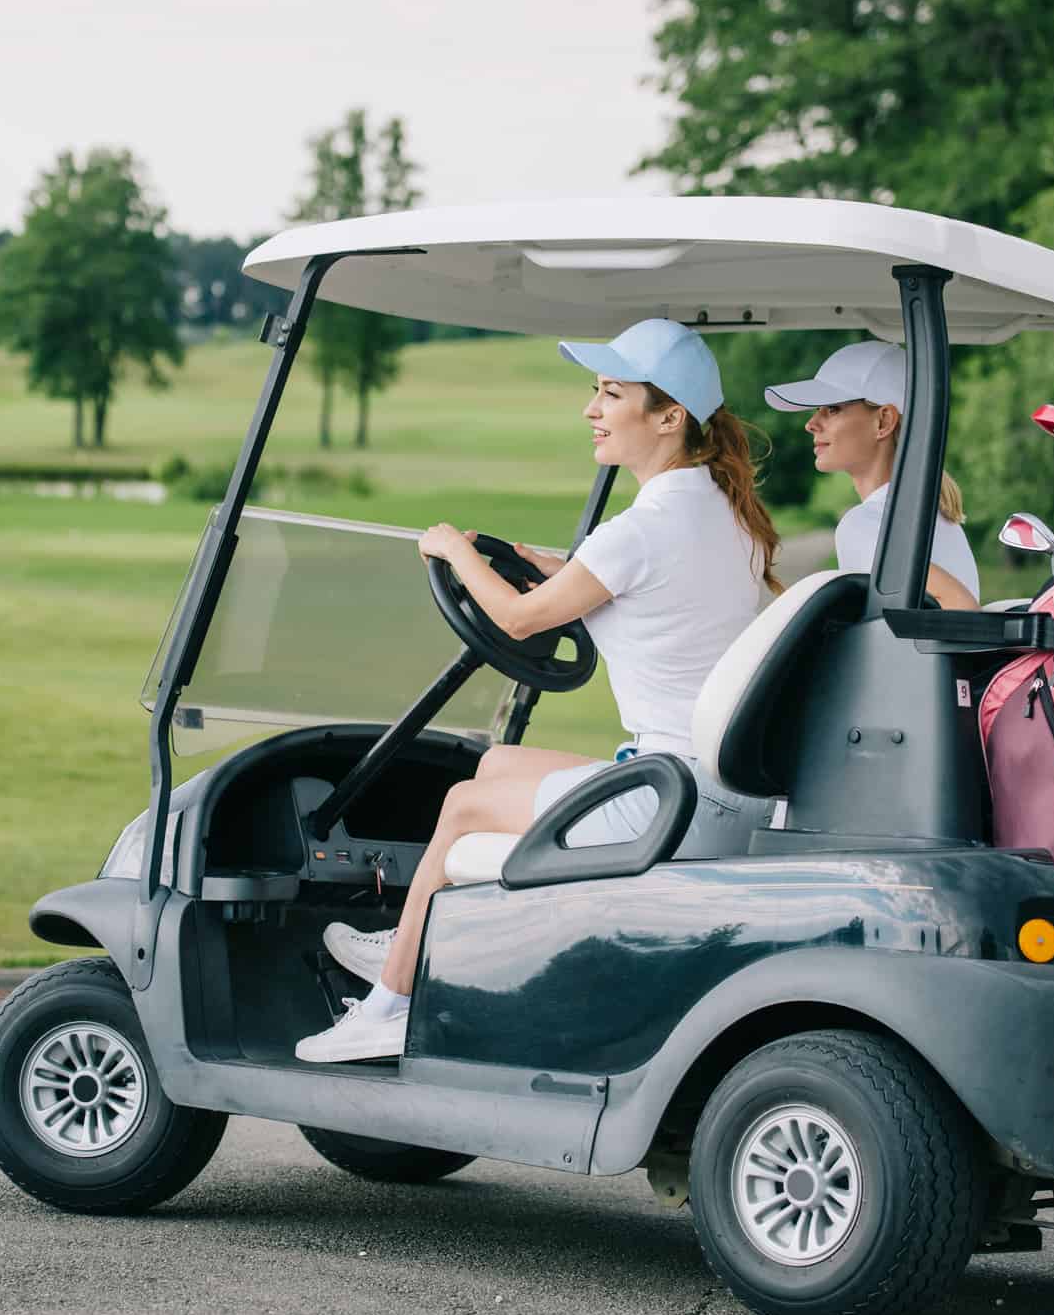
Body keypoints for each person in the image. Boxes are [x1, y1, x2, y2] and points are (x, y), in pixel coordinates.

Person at [295, 318, 783, 1062]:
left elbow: (521, 617)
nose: (592, 409)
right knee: (491, 767)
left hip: (668, 799)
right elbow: (641, 584)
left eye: (611, 393)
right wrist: (558, 564)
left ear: (668, 416)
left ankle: (391, 1006)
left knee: (460, 805)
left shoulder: (641, 529)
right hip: (715, 788)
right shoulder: (724, 511)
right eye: (595, 391)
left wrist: (457, 551)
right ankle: (411, 942)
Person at [764, 341, 979, 609]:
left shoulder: (866, 524)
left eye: (832, 409)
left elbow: (962, 605)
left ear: (884, 421)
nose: (811, 424)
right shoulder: (938, 518)